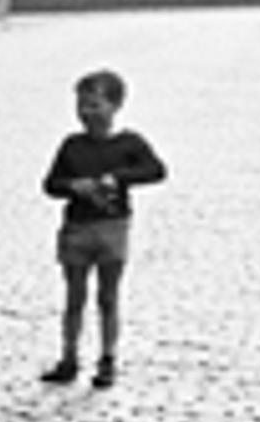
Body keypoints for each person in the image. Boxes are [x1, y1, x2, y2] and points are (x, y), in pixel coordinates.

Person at [40, 68, 167, 388]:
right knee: (74, 298)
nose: (86, 112)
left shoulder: (129, 143)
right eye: (82, 105)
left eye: (95, 105)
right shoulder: (71, 146)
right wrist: (74, 185)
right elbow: (51, 185)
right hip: (77, 228)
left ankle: (108, 358)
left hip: (113, 227)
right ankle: (69, 357)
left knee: (108, 298)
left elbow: (155, 171)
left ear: (114, 106)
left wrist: (119, 177)